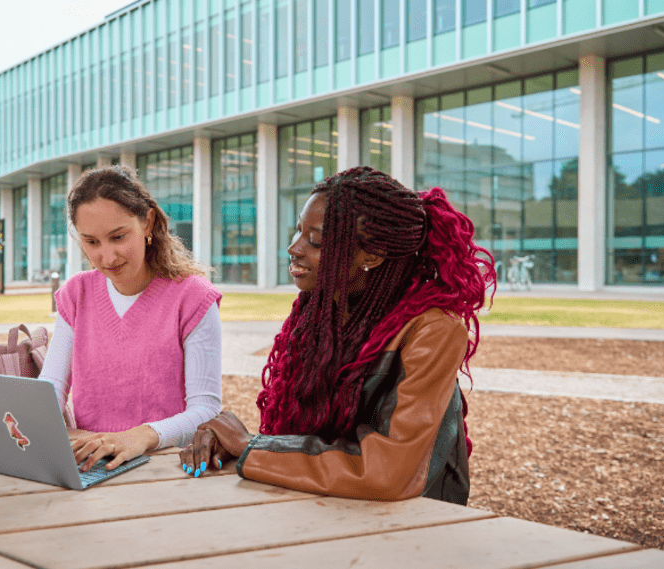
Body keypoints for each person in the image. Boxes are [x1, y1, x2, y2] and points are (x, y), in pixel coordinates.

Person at [180, 166, 495, 504]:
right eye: (298, 231)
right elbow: (303, 441)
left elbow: (386, 471)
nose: (293, 248)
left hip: (413, 525)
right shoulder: (317, 312)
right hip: (325, 507)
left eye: (315, 240)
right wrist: (232, 446)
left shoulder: (433, 330)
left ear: (371, 256)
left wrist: (250, 446)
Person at [39, 165, 223, 472]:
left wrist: (144, 435)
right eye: (92, 242)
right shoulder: (76, 294)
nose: (107, 258)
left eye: (118, 236)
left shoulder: (193, 298)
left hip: (165, 467)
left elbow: (206, 410)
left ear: (147, 222)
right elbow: (52, 387)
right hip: (92, 464)